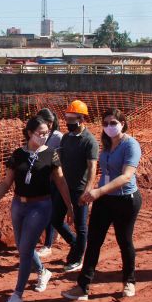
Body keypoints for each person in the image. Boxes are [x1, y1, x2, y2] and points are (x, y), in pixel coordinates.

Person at [0, 116, 75, 302]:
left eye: (47, 133)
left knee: (26, 249)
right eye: (40, 133)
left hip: (40, 206)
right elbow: (7, 181)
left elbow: (60, 182)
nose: (44, 137)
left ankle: (17, 295)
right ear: (29, 133)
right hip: (18, 205)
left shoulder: (51, 155)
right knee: (21, 246)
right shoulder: (18, 154)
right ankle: (43, 271)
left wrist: (69, 205)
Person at [62, 108, 142, 302]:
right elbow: (102, 171)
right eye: (105, 124)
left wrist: (98, 192)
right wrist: (94, 194)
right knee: (94, 242)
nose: (109, 127)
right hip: (104, 199)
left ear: (123, 123)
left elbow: (126, 176)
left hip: (125, 199)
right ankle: (83, 286)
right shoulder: (107, 144)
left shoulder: (130, 145)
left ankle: (129, 281)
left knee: (124, 240)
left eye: (113, 123)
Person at [51, 100, 99, 273]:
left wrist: (88, 190)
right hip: (63, 187)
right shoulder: (66, 137)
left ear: (82, 119)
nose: (69, 122)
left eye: (73, 118)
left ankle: (78, 258)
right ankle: (75, 243)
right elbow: (60, 158)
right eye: (67, 118)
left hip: (79, 189)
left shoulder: (89, 141)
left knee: (80, 225)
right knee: (55, 219)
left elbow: (93, 167)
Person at [35, 108, 63, 259]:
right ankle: (51, 236)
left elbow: (61, 158)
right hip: (41, 179)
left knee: (49, 211)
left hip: (53, 179)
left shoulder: (58, 137)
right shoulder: (39, 134)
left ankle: (48, 245)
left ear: (50, 123)